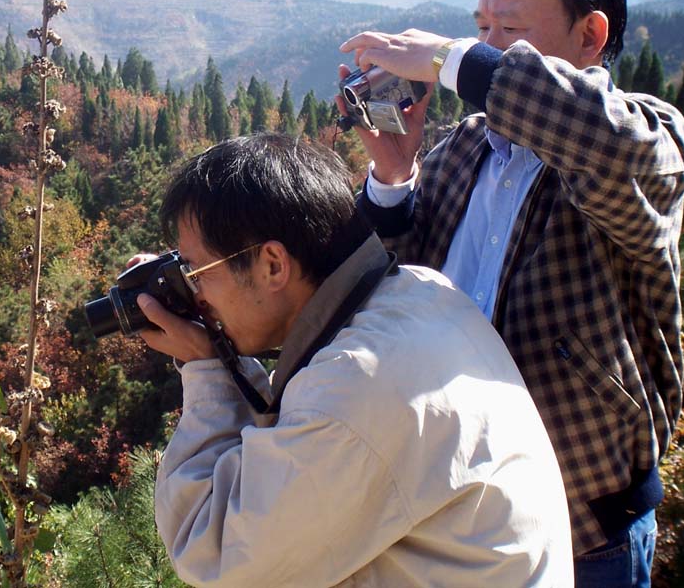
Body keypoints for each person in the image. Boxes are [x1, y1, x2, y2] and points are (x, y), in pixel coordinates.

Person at [338, 0, 684, 587]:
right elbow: (390, 287)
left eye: (508, 31)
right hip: (457, 524)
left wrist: (449, 55)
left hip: (587, 533)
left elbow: (603, 142)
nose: (486, 48)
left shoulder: (647, 139)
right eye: (480, 28)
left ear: (591, 37)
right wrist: (392, 174)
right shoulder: (464, 149)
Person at [135, 133, 573, 587]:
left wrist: (205, 368)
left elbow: (215, 551)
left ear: (272, 265)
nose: (195, 295)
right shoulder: (417, 290)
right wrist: (220, 355)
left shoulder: (355, 388)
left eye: (195, 272)